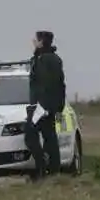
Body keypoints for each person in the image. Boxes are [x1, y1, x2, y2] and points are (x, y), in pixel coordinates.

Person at [24, 30, 67, 181]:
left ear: (41, 41)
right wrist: (59, 107)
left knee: (30, 135)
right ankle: (53, 171)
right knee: (49, 136)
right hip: (50, 105)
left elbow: (46, 84)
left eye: (35, 39)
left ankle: (42, 167)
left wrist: (41, 106)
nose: (33, 42)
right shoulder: (51, 58)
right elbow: (61, 85)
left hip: (41, 106)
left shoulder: (44, 60)